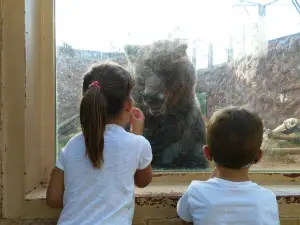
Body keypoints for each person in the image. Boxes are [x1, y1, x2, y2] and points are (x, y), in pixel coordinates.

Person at [46, 62, 153, 225]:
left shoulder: (71, 145)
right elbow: (143, 181)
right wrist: (136, 133)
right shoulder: (138, 144)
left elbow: (53, 199)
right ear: (128, 105)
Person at [176, 107, 280, 225]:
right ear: (258, 156)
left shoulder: (195, 192)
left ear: (207, 153)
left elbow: (184, 219)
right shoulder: (267, 199)